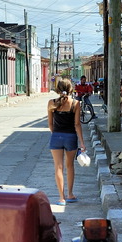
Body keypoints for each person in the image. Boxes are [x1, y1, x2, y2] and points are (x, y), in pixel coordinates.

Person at [47, 76, 86, 206]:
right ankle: (70, 194)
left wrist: (56, 135)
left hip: (56, 137)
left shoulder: (51, 103)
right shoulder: (75, 103)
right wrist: (82, 143)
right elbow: (77, 124)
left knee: (58, 167)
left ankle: (61, 198)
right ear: (71, 89)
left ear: (58, 89)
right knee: (70, 166)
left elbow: (50, 125)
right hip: (71, 137)